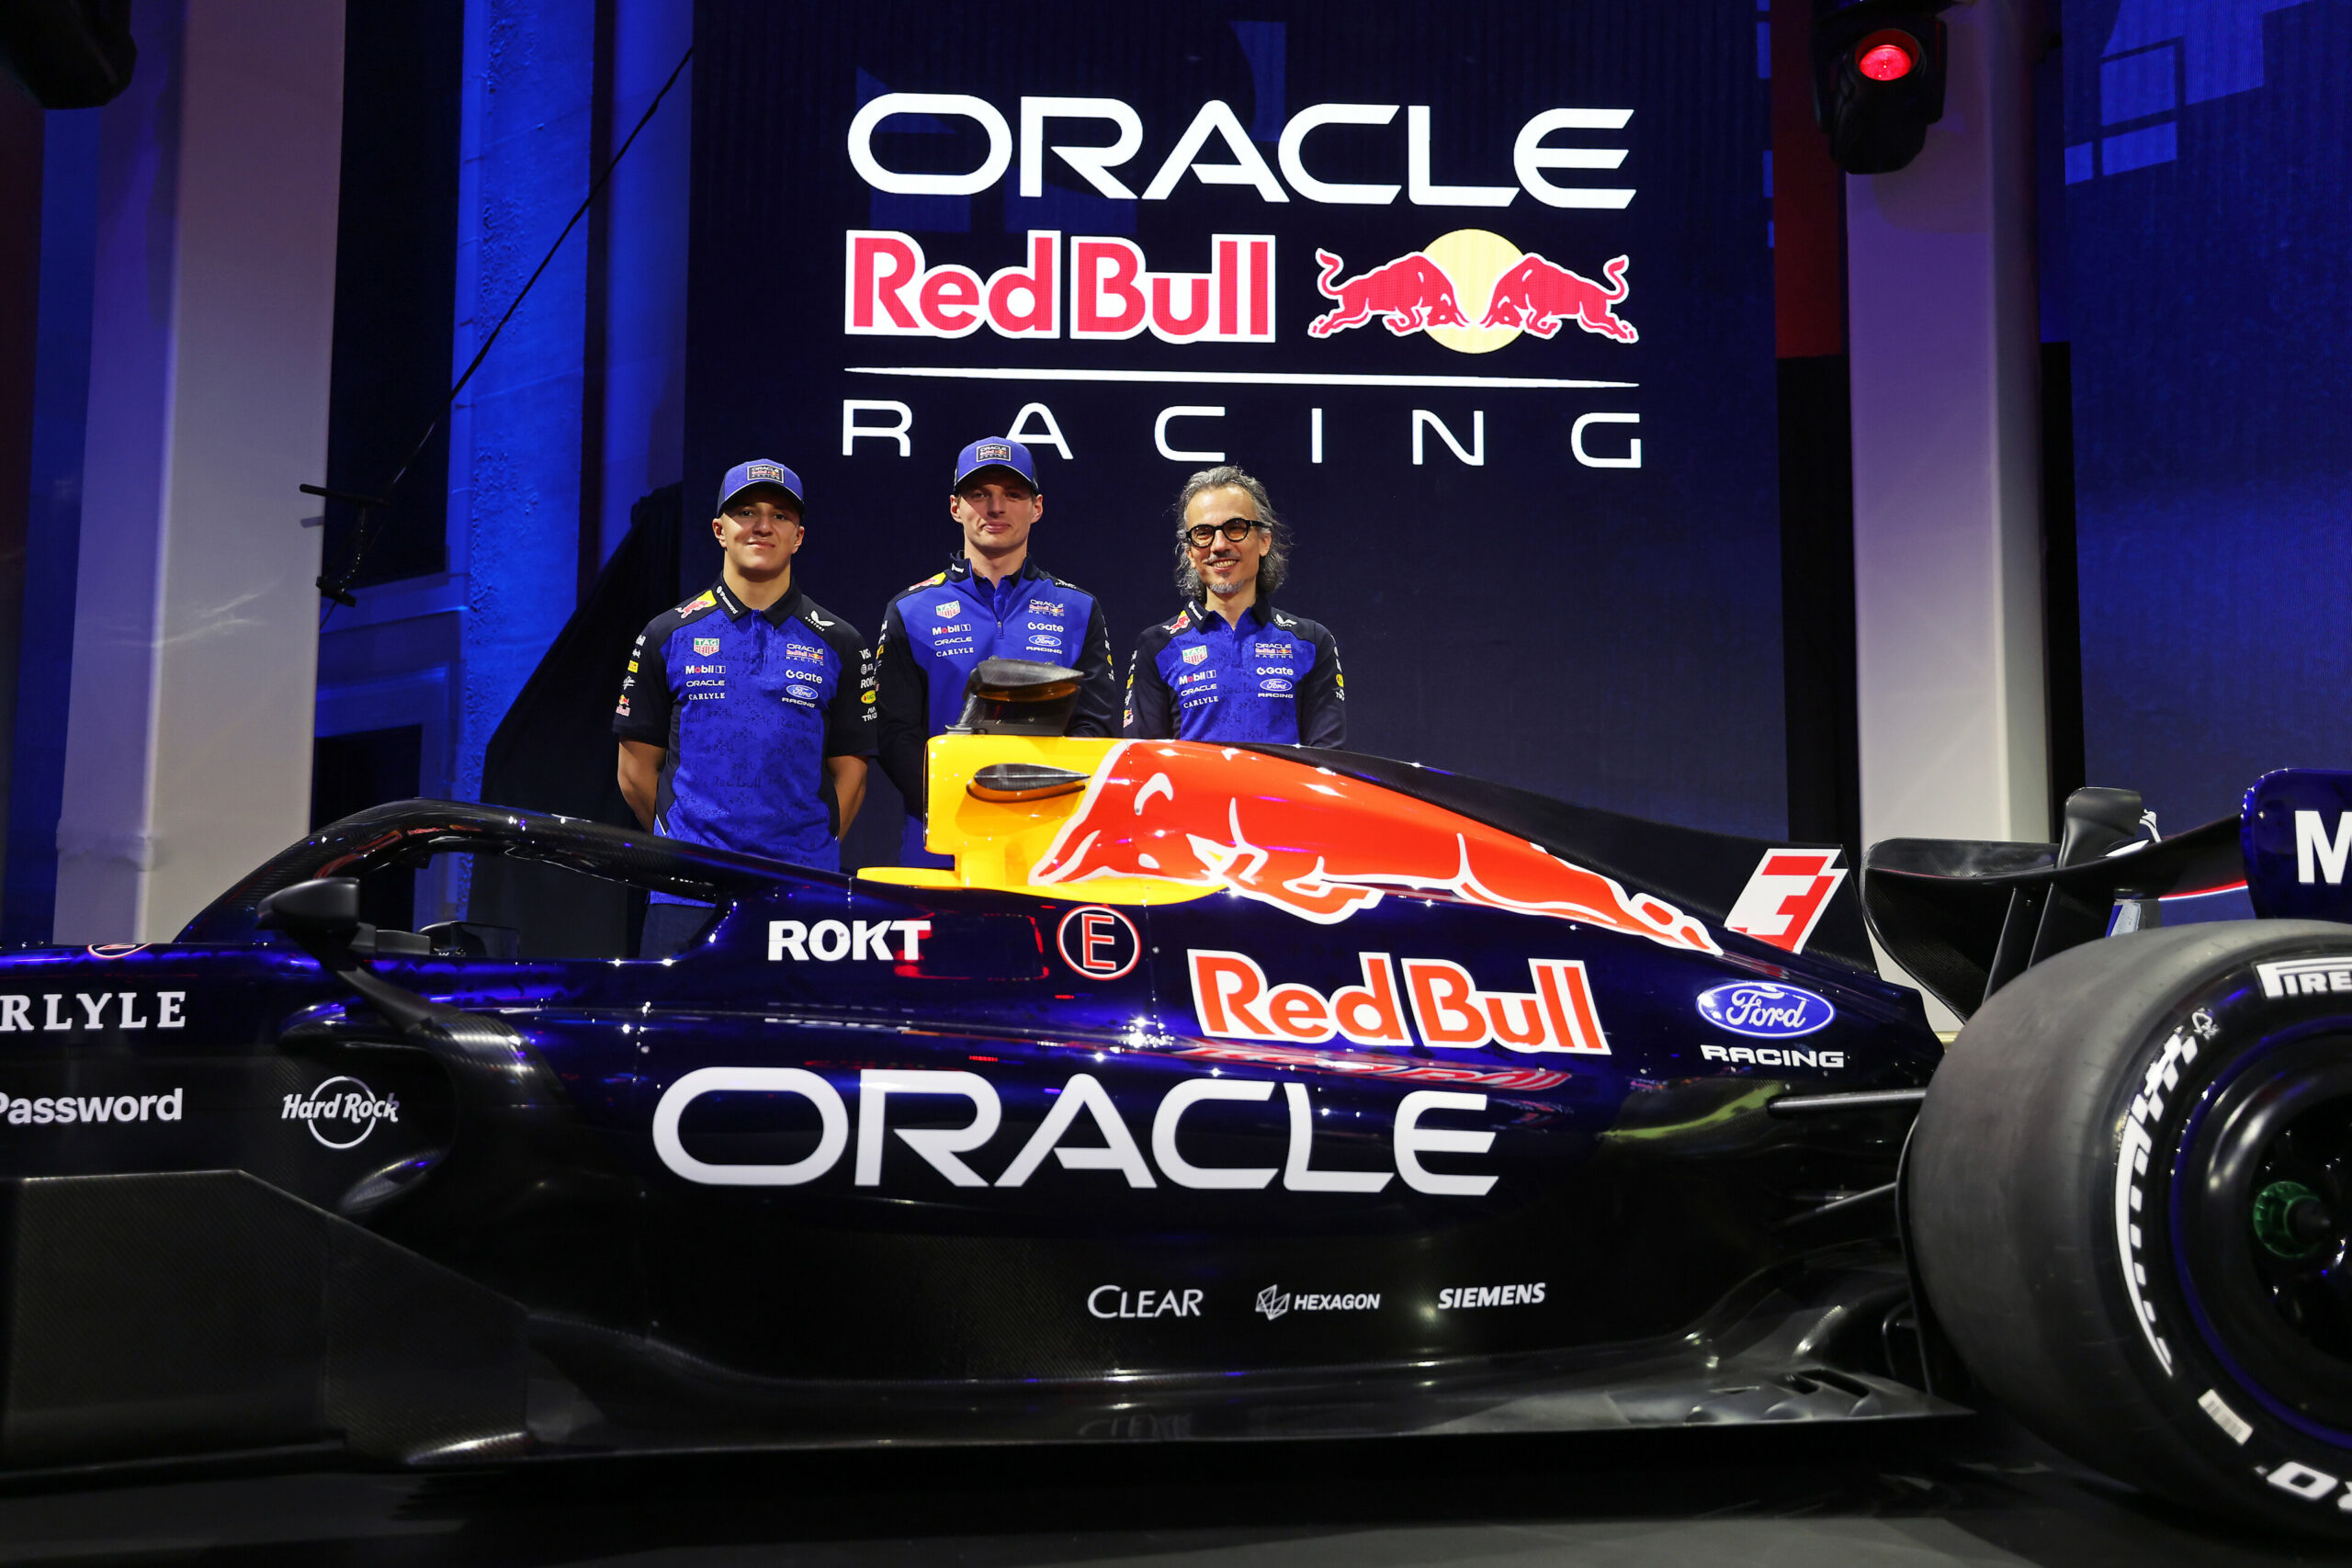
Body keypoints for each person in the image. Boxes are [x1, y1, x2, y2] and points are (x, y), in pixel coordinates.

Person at [615, 459, 874, 955]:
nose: (762, 526)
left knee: (798, 1010)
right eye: (747, 512)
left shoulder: (841, 642)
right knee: (678, 1011)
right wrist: (686, 849)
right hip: (686, 892)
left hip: (803, 891)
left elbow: (853, 777)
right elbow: (633, 772)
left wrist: (805, 851)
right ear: (720, 530)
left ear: (798, 537)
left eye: (780, 516)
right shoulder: (666, 634)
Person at [876, 437, 1117, 864]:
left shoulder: (1078, 609)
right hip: (941, 843)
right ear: (956, 507)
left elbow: (1093, 728)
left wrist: (1038, 802)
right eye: (979, 494)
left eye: (1013, 494)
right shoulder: (910, 610)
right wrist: (957, 803)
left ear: (1037, 507)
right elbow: (896, 737)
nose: (996, 507)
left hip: (1048, 841)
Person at [1123, 465, 1344, 747]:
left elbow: (1327, 762)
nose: (1219, 545)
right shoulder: (1156, 647)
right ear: (1189, 552)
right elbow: (1142, 760)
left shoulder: (1311, 642)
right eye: (1203, 533)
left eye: (1235, 528)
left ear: (1264, 541)